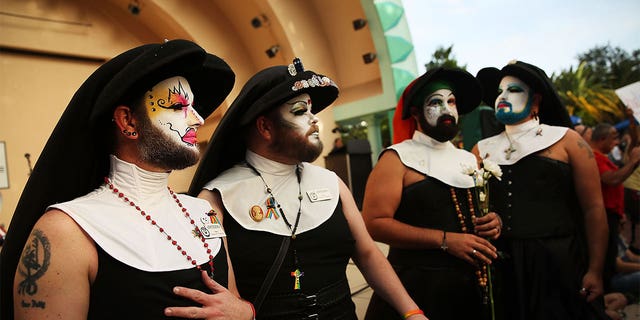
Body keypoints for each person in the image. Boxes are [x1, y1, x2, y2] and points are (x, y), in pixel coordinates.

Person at [1, 39, 255, 319]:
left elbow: (234, 301)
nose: (197, 119)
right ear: (128, 122)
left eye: (193, 107)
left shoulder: (204, 212)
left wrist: (246, 312)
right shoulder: (66, 231)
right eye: (178, 106)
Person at [185, 58, 428, 319]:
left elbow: (368, 253)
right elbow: (227, 296)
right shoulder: (215, 199)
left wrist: (411, 311)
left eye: (312, 110)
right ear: (265, 126)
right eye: (300, 110)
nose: (314, 120)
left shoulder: (331, 182)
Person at [472, 60, 610, 319]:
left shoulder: (568, 141)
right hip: (504, 266)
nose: (502, 96)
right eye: (500, 91)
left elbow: (593, 208)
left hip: (560, 263)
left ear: (535, 101)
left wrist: (596, 269)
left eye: (513, 90)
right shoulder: (480, 149)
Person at [361, 67, 501, 320]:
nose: (447, 109)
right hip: (417, 288)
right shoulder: (396, 159)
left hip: (469, 289)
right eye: (435, 102)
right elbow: (374, 223)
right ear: (415, 112)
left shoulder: (469, 158)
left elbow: (476, 210)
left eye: (451, 101)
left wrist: (494, 221)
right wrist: (445, 240)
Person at [589, 122, 640, 292]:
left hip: (613, 217)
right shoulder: (593, 158)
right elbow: (612, 179)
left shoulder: (603, 156)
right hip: (604, 217)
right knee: (607, 263)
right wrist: (633, 162)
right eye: (614, 138)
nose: (617, 142)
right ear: (602, 138)